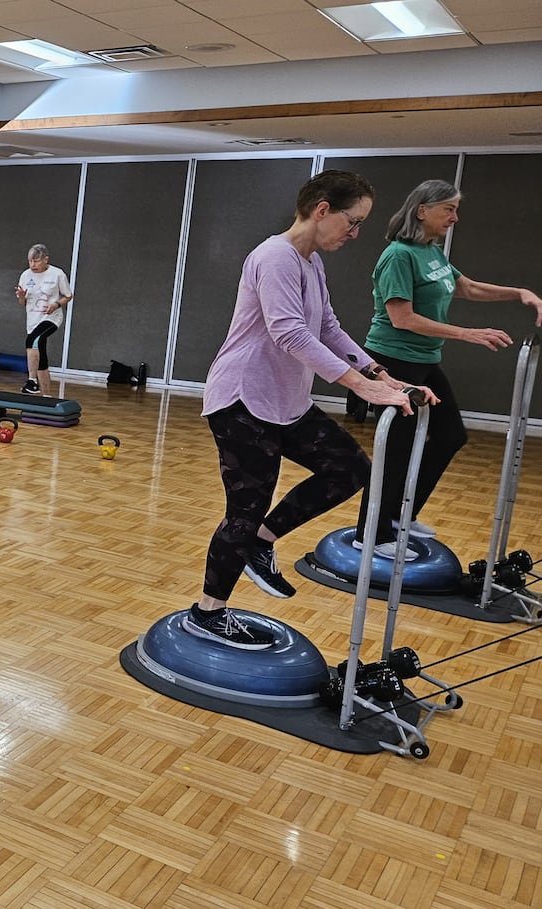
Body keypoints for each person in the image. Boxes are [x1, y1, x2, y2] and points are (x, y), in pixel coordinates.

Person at [190, 170, 424, 650]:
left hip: (285, 400)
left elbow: (328, 327)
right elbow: (290, 333)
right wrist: (360, 386)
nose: (355, 233)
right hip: (241, 398)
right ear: (322, 210)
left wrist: (380, 376)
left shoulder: (309, 261)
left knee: (349, 468)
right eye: (352, 221)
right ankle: (207, 613)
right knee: (245, 506)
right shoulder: (274, 257)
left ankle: (262, 540)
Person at [352, 180, 542, 560]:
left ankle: (401, 515)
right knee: (398, 450)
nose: (454, 218)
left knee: (450, 435)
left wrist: (519, 292)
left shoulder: (431, 252)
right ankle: (369, 534)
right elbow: (401, 318)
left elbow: (467, 288)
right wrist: (466, 333)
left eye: (456, 210)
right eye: (448, 210)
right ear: (422, 210)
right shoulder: (399, 256)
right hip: (394, 361)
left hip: (424, 361)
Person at [15, 243, 72, 395]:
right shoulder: (25, 275)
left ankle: (32, 381)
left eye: (37, 261)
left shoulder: (57, 274)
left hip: (51, 318)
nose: (33, 264)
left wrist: (56, 304)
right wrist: (21, 297)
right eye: (30, 261)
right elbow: (23, 302)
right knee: (41, 357)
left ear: (46, 259)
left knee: (32, 341)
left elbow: (68, 295)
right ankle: (46, 396)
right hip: (33, 319)